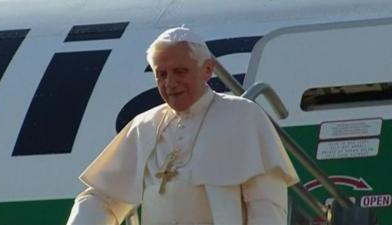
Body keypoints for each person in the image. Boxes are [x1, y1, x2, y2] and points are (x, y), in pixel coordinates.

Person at [66, 26, 299, 225]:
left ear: (207, 69)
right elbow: (102, 198)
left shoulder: (243, 115)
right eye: (161, 74)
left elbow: (266, 204)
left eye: (180, 72)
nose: (170, 83)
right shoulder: (144, 125)